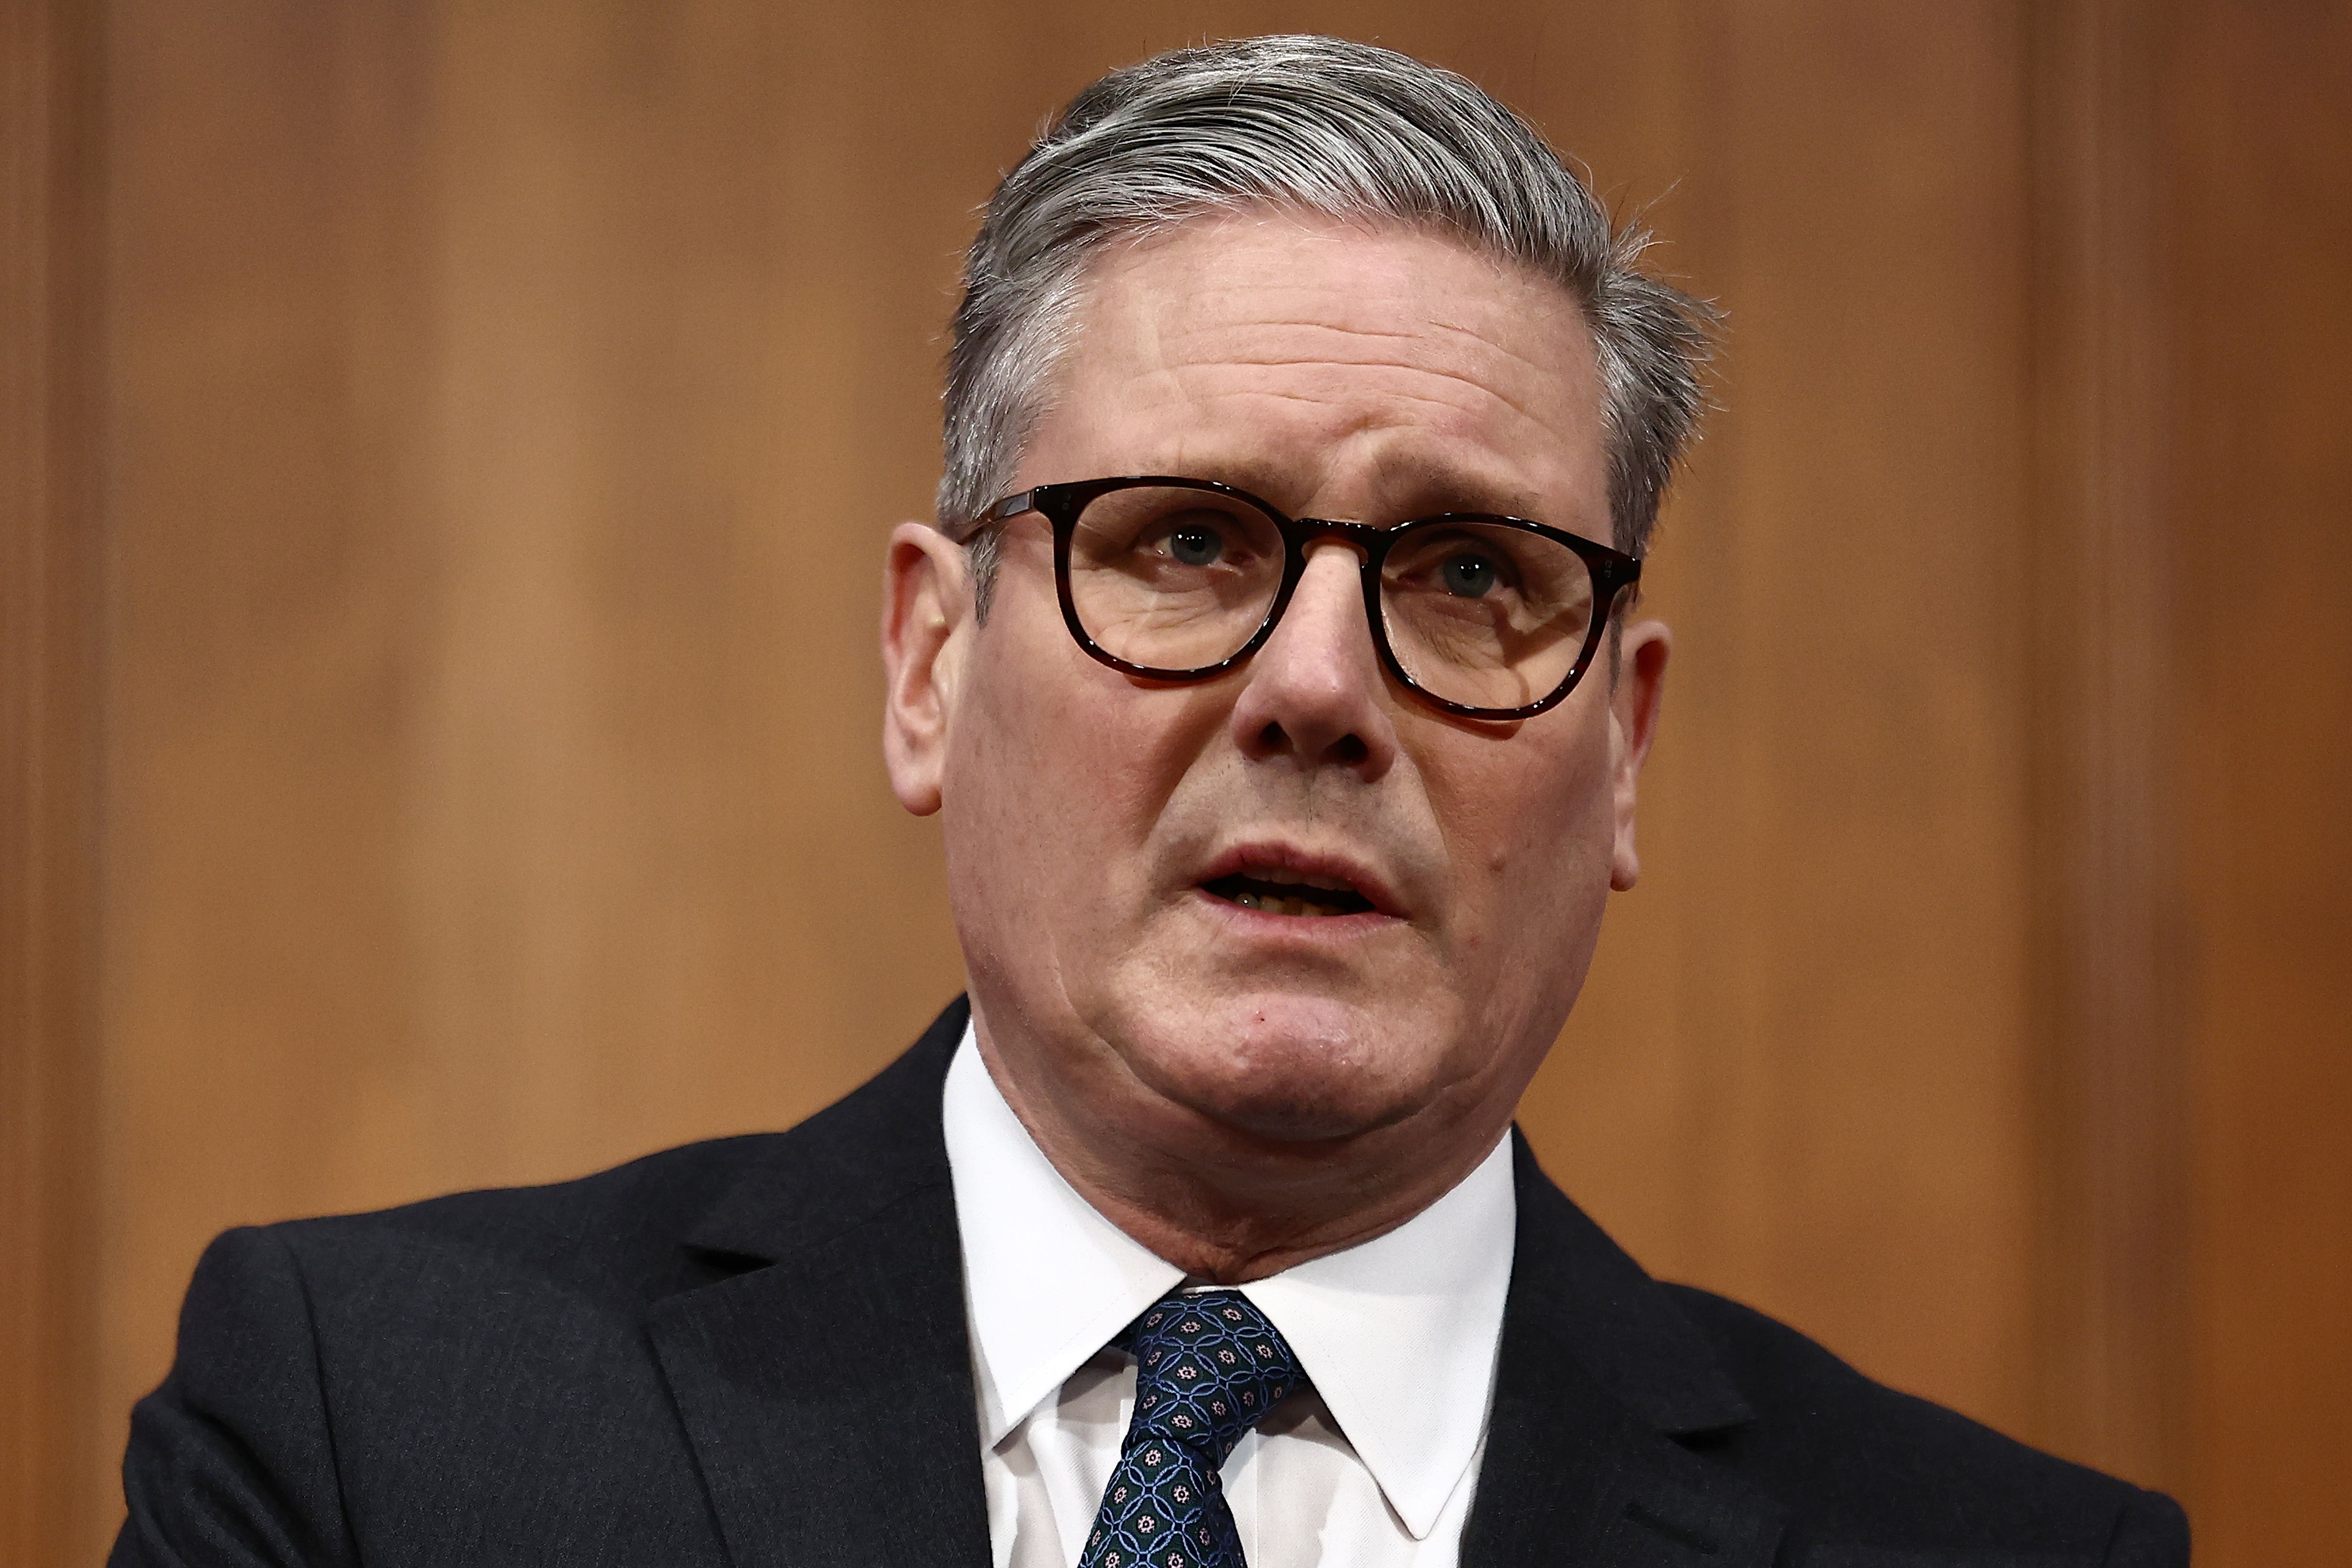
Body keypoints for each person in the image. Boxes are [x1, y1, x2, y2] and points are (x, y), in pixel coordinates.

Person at [114, 35, 2188, 1568]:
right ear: (930, 665)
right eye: (1186, 543)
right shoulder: (369, 1430)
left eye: (1470, 577)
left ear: (1619, 746)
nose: (1315, 688)